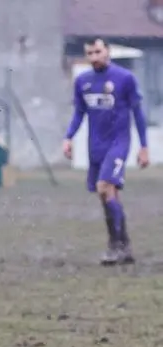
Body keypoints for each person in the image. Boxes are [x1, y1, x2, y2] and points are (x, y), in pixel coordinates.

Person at [63, 38, 149, 266]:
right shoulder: (82, 81)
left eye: (98, 52)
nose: (94, 57)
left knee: (104, 186)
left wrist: (144, 146)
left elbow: (138, 113)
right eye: (90, 53)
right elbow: (79, 113)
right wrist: (68, 137)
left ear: (107, 51)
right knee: (107, 194)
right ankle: (124, 245)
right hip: (96, 146)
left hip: (118, 143)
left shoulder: (125, 78)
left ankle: (116, 246)